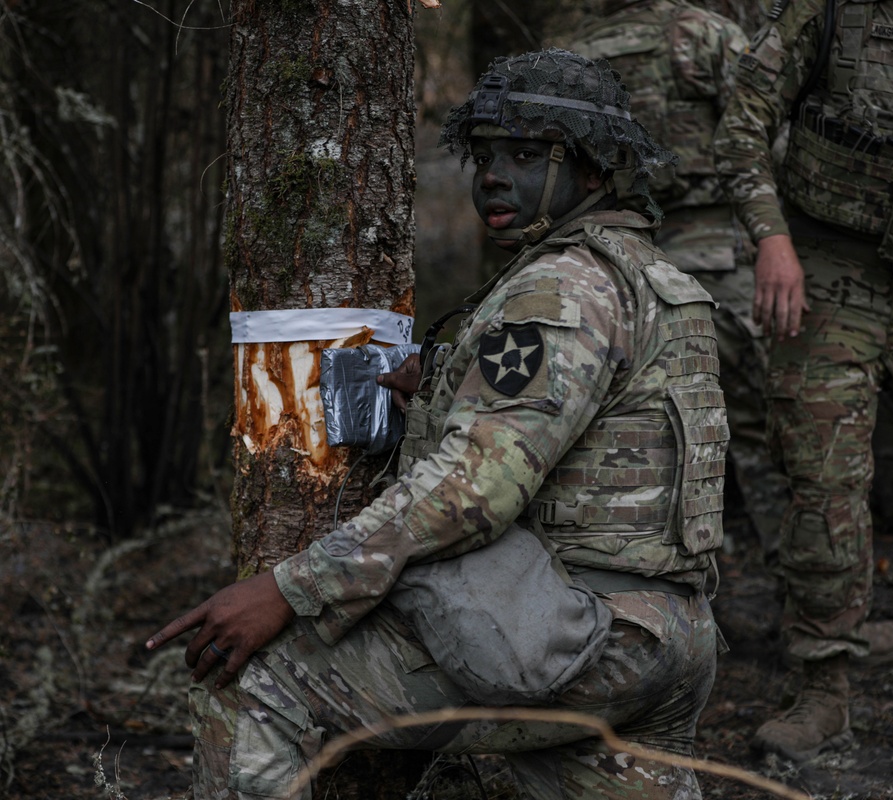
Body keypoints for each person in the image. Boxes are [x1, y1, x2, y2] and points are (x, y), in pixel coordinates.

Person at [147, 48, 729, 799]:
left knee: (250, 685)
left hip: (578, 641)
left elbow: (474, 490)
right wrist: (455, 382)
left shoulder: (558, 287)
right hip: (672, 639)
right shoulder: (657, 279)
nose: (493, 175)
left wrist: (286, 589)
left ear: (594, 170)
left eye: (526, 155)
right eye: (484, 155)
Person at [713, 0, 893, 762]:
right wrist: (770, 240)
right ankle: (822, 690)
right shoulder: (827, 11)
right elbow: (740, 125)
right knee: (822, 481)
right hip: (827, 268)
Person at [569, 0, 788, 563]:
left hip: (619, 265)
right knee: (765, 433)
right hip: (723, 261)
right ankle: (799, 585)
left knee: (649, 431)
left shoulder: (577, 55)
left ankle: (662, 577)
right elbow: (765, 140)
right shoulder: (706, 34)